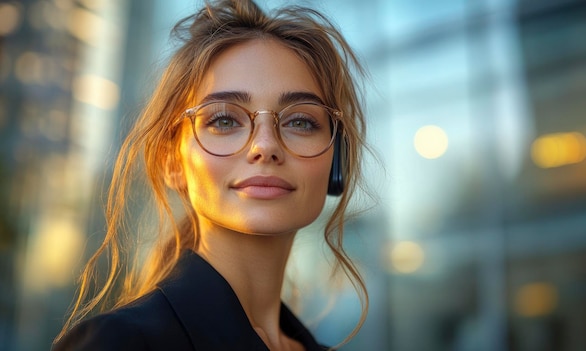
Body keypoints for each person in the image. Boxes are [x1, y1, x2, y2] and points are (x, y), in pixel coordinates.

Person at [52, 0, 368, 350]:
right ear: (172, 161)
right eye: (223, 120)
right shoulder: (118, 343)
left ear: (338, 160)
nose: (265, 146)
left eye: (300, 121)